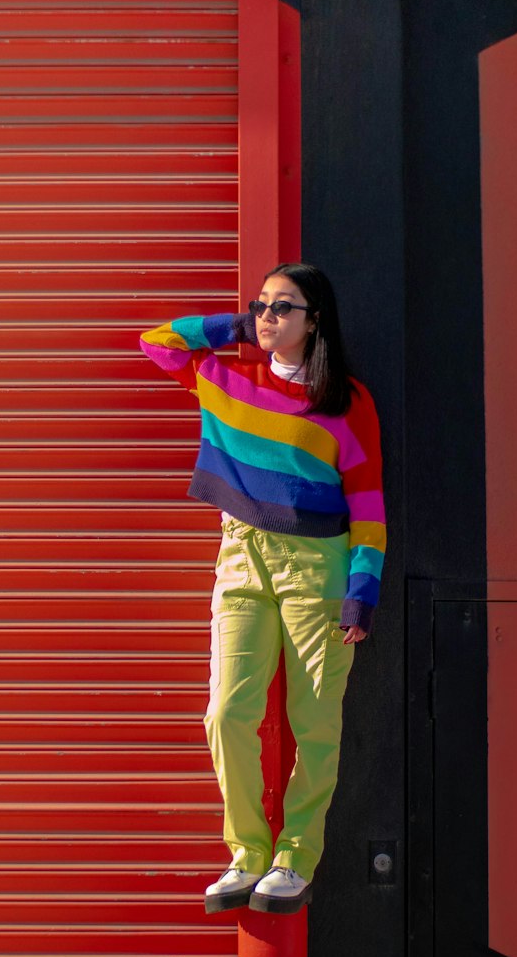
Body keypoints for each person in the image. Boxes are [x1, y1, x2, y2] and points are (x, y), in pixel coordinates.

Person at [139, 263, 385, 915]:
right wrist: (237, 327)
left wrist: (364, 586)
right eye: (263, 306)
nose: (270, 316)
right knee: (226, 715)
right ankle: (247, 853)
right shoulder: (224, 376)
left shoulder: (346, 401)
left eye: (286, 306)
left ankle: (296, 856)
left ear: (316, 320)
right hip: (242, 559)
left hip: (319, 568)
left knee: (315, 722)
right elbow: (157, 342)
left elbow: (368, 503)